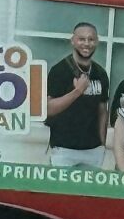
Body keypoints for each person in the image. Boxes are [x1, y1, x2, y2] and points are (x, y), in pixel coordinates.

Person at [45, 22, 109, 168]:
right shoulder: (59, 71)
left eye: (91, 39)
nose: (86, 43)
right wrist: (78, 91)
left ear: (97, 42)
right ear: (73, 41)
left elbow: (102, 110)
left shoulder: (101, 73)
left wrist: (102, 144)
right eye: (81, 39)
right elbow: (48, 109)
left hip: (93, 150)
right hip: (63, 149)